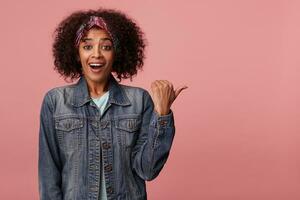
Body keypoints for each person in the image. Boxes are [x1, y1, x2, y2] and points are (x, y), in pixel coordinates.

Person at [38, 7, 187, 200]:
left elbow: (147, 171)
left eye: (106, 47)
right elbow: (48, 176)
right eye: (87, 46)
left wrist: (162, 114)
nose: (97, 54)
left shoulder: (139, 101)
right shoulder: (55, 101)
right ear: (77, 54)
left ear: (116, 54)